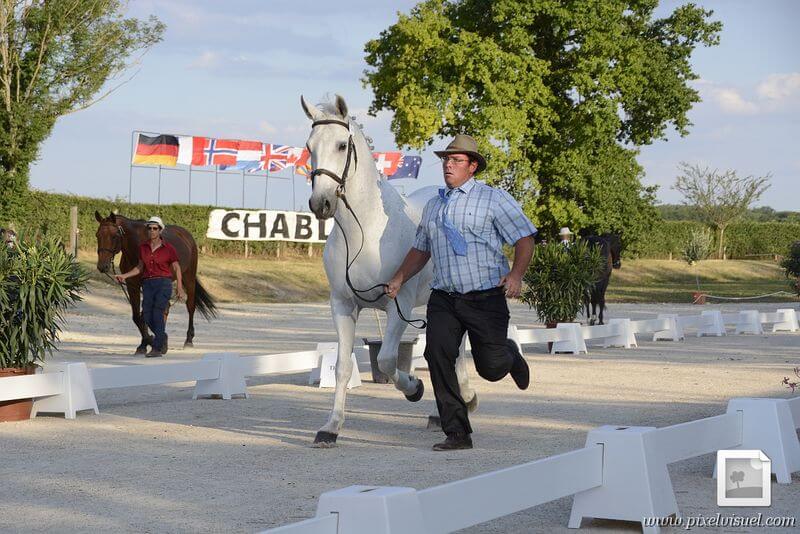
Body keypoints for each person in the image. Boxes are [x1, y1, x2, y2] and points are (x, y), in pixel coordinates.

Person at [386, 134, 537, 451]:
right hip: (445, 297)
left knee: (491, 368)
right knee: (437, 354)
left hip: (485, 297)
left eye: (456, 160)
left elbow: (524, 238)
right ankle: (457, 432)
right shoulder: (433, 206)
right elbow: (421, 249)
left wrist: (516, 275)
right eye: (446, 160)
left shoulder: (493, 199)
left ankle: (509, 355)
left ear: (472, 166)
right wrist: (399, 278)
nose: (448, 165)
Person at [115, 216, 185, 357]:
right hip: (148, 283)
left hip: (163, 283)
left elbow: (177, 268)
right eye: (150, 228)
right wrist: (124, 276)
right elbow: (139, 267)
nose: (152, 231)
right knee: (146, 315)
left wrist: (179, 287)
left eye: (155, 228)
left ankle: (157, 348)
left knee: (157, 313)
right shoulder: (143, 248)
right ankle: (162, 336)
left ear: (160, 230)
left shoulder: (168, 248)